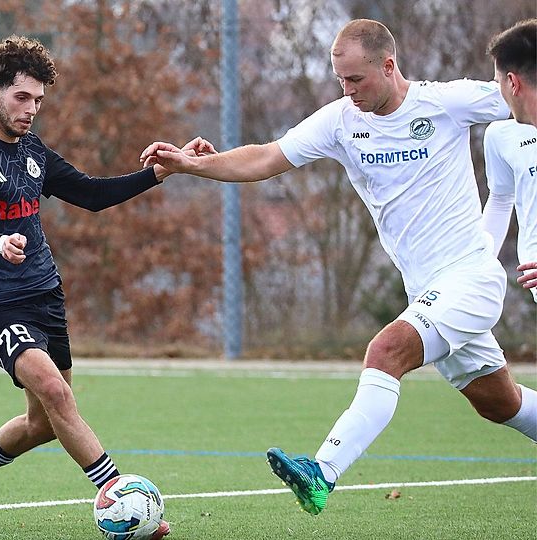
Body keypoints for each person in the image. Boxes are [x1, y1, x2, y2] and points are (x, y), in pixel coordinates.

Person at [141, 18, 537, 516]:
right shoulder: (339, 121)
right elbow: (265, 158)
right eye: (340, 81)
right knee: (499, 403)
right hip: (428, 292)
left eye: (357, 80)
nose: (347, 91)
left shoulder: (447, 101)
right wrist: (193, 164)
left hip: (470, 279)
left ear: (388, 66)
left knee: (385, 350)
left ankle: (322, 472)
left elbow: (521, 95)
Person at [0, 35, 198, 538]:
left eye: (38, 100)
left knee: (46, 420)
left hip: (43, 296)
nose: (31, 110)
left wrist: (157, 173)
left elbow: (91, 194)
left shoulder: (32, 149)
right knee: (55, 390)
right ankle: (119, 495)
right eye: (21, 98)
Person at [485, 19, 537, 295]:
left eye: (497, 83)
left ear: (512, 82)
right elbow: (500, 199)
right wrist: (478, 263)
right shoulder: (501, 137)